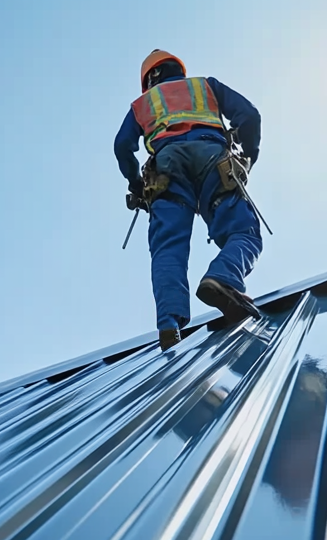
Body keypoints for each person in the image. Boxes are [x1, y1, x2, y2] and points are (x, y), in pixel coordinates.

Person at [114, 49, 265, 351]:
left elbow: (122, 147)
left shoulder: (142, 104)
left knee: (168, 247)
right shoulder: (205, 86)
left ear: (149, 79)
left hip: (166, 169)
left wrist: (136, 183)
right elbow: (249, 115)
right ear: (177, 70)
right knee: (244, 233)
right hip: (213, 160)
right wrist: (249, 156)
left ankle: (170, 323)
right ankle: (225, 277)